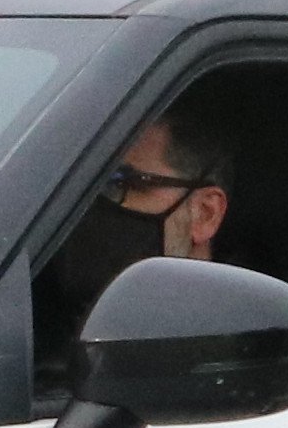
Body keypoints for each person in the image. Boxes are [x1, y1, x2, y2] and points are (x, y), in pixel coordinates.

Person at [38, 110, 233, 354]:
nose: (94, 205)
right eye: (87, 186)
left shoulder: (231, 344)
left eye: (125, 183)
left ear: (205, 214)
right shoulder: (30, 315)